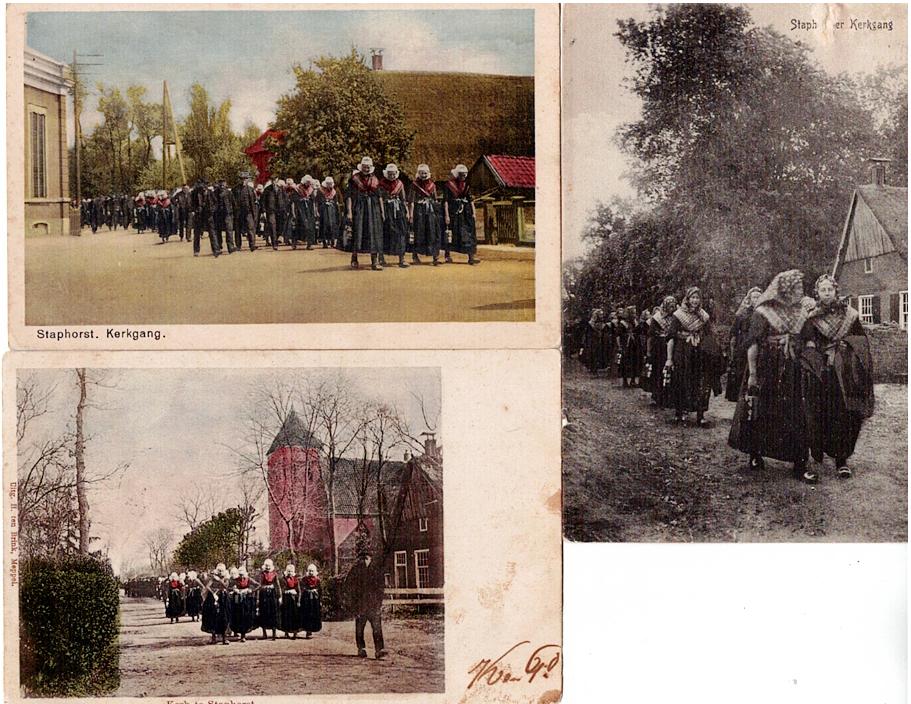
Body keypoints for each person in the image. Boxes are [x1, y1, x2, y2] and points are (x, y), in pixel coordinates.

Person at [728, 270, 812, 481]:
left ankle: (799, 462)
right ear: (784, 288)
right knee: (761, 410)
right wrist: (753, 374)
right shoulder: (763, 312)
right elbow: (753, 344)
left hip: (792, 368)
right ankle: (755, 454)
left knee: (796, 413)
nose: (800, 291)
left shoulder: (802, 311)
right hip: (767, 368)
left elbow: (809, 339)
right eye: (796, 287)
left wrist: (802, 349)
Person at [800, 274, 875, 480]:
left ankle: (842, 460)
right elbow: (806, 343)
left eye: (830, 290)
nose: (826, 293)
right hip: (822, 373)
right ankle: (819, 452)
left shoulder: (850, 315)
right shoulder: (812, 318)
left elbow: (861, 341)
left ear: (836, 292)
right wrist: (814, 350)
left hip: (845, 374)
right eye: (822, 290)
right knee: (820, 413)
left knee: (845, 415)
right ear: (817, 293)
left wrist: (847, 346)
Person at [665, 287, 717, 427]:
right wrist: (669, 359)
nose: (695, 300)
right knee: (681, 380)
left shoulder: (703, 316)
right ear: (687, 299)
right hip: (682, 352)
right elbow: (671, 337)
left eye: (697, 298)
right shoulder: (678, 315)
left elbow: (709, 334)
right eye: (692, 297)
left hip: (698, 353)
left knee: (700, 383)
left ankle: (700, 415)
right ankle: (680, 413)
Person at [345, 540, 388, 660]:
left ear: (371, 558)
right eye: (363, 557)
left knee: (377, 627)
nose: (365, 560)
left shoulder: (377, 569)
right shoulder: (356, 570)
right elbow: (348, 586)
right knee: (360, 627)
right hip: (360, 604)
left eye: (367, 557)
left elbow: (381, 588)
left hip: (374, 605)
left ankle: (379, 650)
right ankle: (361, 648)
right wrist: (353, 603)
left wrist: (379, 602)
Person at [346, 157, 385, 270]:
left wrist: (382, 211)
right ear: (361, 167)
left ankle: (374, 261)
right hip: (359, 207)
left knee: (374, 233)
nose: (366, 169)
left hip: (373, 209)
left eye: (368, 167)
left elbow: (379, 196)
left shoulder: (375, 179)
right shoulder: (354, 179)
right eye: (364, 167)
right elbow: (349, 196)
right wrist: (349, 212)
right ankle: (354, 257)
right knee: (358, 232)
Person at [726, 287, 762, 402]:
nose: (756, 299)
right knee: (742, 373)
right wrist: (733, 350)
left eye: (758, 297)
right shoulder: (742, 314)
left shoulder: (764, 314)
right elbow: (734, 333)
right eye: (754, 297)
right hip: (743, 345)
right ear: (749, 299)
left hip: (759, 345)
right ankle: (741, 404)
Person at [443, 163, 479, 265]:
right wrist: (447, 215)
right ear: (457, 174)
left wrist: (474, 212)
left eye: (464, 175)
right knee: (451, 233)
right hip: (453, 212)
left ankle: (471, 257)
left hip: (465, 213)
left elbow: (470, 199)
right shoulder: (449, 185)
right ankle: (447, 255)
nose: (463, 177)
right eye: (461, 174)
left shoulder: (467, 185)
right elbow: (445, 201)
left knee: (468, 233)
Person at [407, 164, 441, 265]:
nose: (424, 175)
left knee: (432, 232)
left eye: (425, 173)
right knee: (418, 232)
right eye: (422, 173)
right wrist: (411, 215)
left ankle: (435, 257)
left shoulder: (432, 185)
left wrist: (436, 211)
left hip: (430, 211)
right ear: (418, 174)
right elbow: (411, 201)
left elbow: (435, 199)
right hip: (419, 211)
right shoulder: (414, 185)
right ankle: (415, 256)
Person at [646, 297, 676, 407]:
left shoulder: (676, 316)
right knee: (658, 371)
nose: (671, 308)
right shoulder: (657, 317)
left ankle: (670, 397)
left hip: (672, 346)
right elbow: (650, 335)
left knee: (671, 372)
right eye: (670, 305)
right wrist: (649, 351)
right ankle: (658, 396)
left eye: (673, 305)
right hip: (659, 347)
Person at [379, 164, 409, 268]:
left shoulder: (400, 184)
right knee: (386, 232)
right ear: (387, 174)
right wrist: (382, 213)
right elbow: (380, 199)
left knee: (401, 233)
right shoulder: (382, 184)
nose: (392, 176)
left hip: (398, 210)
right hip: (387, 210)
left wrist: (407, 211)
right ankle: (381, 257)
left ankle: (402, 258)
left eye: (393, 174)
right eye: (390, 174)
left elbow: (403, 198)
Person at [201, 563, 231, 644]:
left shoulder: (226, 577)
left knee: (224, 616)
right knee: (213, 616)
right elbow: (208, 586)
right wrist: (213, 593)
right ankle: (213, 637)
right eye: (219, 571)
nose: (220, 572)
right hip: (213, 598)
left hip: (223, 598)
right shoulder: (213, 577)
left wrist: (219, 580)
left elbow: (225, 586)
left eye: (221, 571)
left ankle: (224, 638)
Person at [229, 566, 257, 642]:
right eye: (240, 574)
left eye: (242, 574)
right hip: (237, 599)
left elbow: (258, 585)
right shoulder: (235, 580)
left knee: (244, 616)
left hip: (245, 599)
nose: (241, 576)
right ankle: (235, 632)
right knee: (237, 615)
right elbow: (229, 587)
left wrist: (250, 590)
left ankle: (243, 635)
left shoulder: (248, 579)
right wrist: (234, 589)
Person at [580, 308, 611, 375]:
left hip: (600, 341)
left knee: (599, 354)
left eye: (602, 314)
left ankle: (598, 367)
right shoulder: (590, 324)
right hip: (592, 341)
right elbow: (587, 333)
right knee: (592, 354)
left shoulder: (603, 324)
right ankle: (593, 369)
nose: (602, 316)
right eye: (600, 314)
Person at [616, 306, 641, 388]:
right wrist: (619, 346)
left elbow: (639, 333)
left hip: (635, 345)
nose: (634, 314)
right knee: (626, 362)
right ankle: (625, 381)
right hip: (626, 345)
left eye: (635, 313)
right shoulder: (622, 323)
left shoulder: (636, 322)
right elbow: (618, 335)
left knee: (635, 362)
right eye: (633, 313)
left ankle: (634, 380)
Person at [257, 558, 281, 641]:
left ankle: (274, 633)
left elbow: (278, 585)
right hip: (264, 594)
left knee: (273, 612)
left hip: (272, 595)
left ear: (271, 566)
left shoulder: (275, 574)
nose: (267, 567)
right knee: (264, 612)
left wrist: (280, 596)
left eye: (269, 566)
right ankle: (264, 633)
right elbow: (260, 584)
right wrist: (258, 597)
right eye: (266, 566)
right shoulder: (262, 574)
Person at [234, 174, 258, 252]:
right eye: (242, 179)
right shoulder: (235, 189)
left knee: (250, 228)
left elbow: (254, 202)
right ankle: (238, 246)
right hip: (239, 213)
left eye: (245, 179)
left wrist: (254, 214)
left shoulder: (250, 189)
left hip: (248, 212)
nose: (243, 181)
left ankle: (252, 245)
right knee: (238, 230)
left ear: (247, 180)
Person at [316, 177, 342, 249]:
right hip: (323, 210)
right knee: (324, 225)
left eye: (330, 184)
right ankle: (324, 241)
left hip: (332, 210)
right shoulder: (320, 191)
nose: (329, 186)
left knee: (332, 225)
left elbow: (336, 200)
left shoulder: (334, 191)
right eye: (328, 184)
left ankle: (332, 241)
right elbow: (318, 201)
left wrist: (333, 204)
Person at [300, 563, 322, 639]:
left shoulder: (317, 580)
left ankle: (312, 629)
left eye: (312, 571)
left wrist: (320, 600)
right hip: (306, 599)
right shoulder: (304, 579)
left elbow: (320, 590)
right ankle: (307, 630)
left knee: (313, 614)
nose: (311, 572)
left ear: (315, 571)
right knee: (307, 614)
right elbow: (302, 587)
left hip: (315, 600)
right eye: (309, 571)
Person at [280, 563, 302, 638]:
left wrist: (298, 601)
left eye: (291, 571)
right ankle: (286, 632)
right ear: (286, 571)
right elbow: (282, 588)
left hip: (294, 599)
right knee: (286, 615)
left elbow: (299, 590)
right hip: (286, 599)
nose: (290, 573)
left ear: (293, 572)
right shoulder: (283, 579)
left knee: (294, 615)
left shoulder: (296, 580)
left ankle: (295, 632)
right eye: (288, 571)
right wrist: (281, 598)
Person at [215, 180, 236, 254]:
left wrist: (233, 213)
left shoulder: (229, 193)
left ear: (226, 185)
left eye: (223, 185)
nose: (222, 186)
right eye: (220, 185)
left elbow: (233, 203)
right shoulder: (215, 193)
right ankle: (218, 247)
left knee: (229, 231)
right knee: (218, 231)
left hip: (228, 214)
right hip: (218, 215)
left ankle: (230, 247)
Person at [260, 179, 279, 250]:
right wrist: (264, 211)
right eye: (273, 180)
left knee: (278, 227)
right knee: (272, 226)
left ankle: (276, 240)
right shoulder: (267, 190)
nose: (275, 182)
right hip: (270, 211)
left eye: (276, 180)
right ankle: (274, 244)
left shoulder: (280, 189)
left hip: (279, 211)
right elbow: (263, 201)